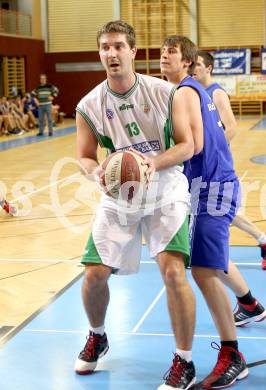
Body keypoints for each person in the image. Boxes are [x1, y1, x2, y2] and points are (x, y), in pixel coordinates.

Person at [74, 21, 196, 390]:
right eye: (105, 47)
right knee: (94, 273)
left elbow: (188, 145)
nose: (111, 53)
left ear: (133, 51)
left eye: (118, 46)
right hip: (119, 191)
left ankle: (184, 362)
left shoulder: (165, 92)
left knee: (173, 272)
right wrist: (98, 172)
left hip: (165, 187)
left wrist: (151, 163)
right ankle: (97, 335)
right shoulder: (89, 105)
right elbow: (83, 155)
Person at [160, 35, 255, 389]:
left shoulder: (184, 92)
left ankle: (233, 355)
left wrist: (152, 161)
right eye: (163, 52)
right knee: (207, 266)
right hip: (207, 186)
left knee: (203, 270)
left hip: (212, 187)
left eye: (172, 52)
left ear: (187, 61)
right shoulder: (188, 90)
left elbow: (194, 146)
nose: (165, 56)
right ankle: (249, 306)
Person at [193, 50, 266, 272]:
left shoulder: (216, 93)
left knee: (217, 211)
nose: (194, 68)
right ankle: (263, 240)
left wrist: (212, 152)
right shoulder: (194, 93)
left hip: (216, 165)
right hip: (199, 164)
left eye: (198, 64)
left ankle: (261, 240)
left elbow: (231, 128)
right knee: (211, 209)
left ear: (208, 68)